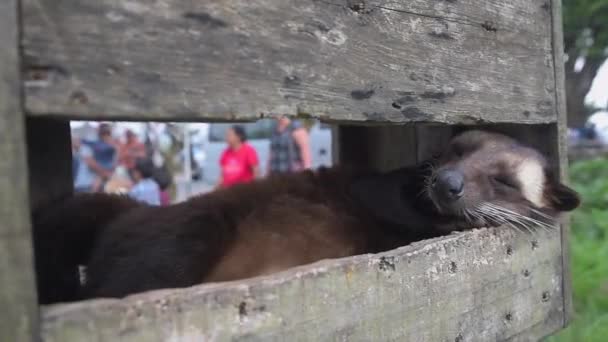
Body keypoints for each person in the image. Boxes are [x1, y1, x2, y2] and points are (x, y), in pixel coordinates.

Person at [82, 123, 118, 192]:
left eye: (107, 133)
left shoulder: (112, 144)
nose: (105, 135)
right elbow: (89, 161)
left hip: (108, 175)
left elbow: (115, 159)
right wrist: (105, 173)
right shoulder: (93, 141)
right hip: (91, 178)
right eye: (103, 133)